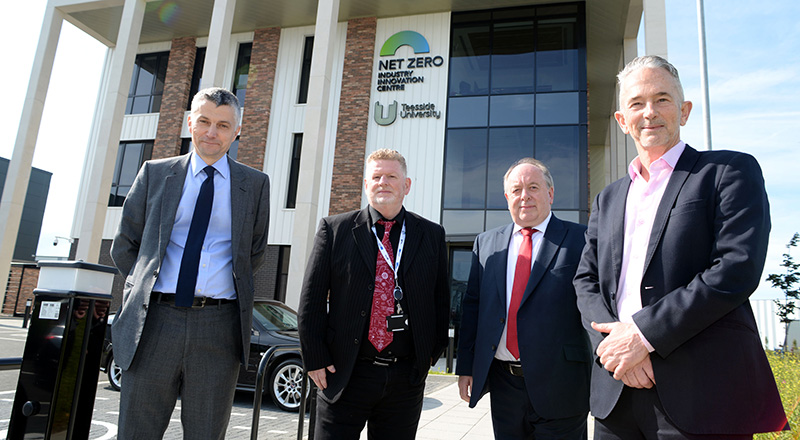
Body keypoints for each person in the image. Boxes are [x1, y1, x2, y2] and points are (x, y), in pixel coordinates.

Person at [574, 55, 788, 439]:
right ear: (622, 120)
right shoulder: (608, 199)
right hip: (616, 395)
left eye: (662, 99)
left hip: (701, 393)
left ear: (684, 111)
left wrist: (642, 336)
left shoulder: (728, 172)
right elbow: (585, 281)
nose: (649, 112)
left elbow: (736, 267)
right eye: (636, 103)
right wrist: (616, 349)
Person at [110, 87, 270, 439]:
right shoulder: (155, 173)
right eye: (204, 121)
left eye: (223, 125)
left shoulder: (255, 185)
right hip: (153, 323)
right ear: (189, 124)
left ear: (237, 131)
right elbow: (124, 245)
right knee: (136, 433)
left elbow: (253, 253)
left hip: (219, 328)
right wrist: (144, 286)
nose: (212, 132)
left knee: (206, 434)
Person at [297, 148, 449, 440]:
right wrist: (314, 358)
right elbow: (311, 300)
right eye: (376, 177)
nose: (383, 182)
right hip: (344, 374)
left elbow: (440, 300)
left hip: (404, 379)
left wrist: (429, 355)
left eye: (391, 176)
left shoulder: (431, 234)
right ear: (366, 184)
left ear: (406, 185)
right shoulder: (335, 230)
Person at [456, 158, 591, 439]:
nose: (524, 196)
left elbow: (595, 302)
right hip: (504, 385)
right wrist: (466, 367)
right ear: (507, 198)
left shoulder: (582, 238)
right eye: (516, 190)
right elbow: (473, 308)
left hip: (562, 384)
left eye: (533, 187)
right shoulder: (486, 243)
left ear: (550, 194)